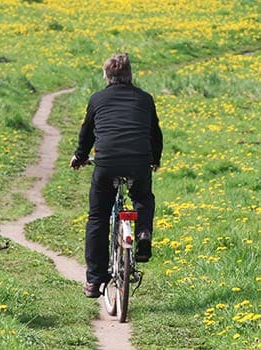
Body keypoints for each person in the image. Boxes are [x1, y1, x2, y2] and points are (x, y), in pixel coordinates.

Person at [70, 53, 163, 298]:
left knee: (98, 217)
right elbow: (155, 134)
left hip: (107, 163)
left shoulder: (97, 98)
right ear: (130, 75)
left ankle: (93, 280)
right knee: (142, 198)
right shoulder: (145, 99)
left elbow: (87, 134)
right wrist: (155, 160)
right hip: (139, 162)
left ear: (107, 76)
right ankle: (143, 232)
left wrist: (80, 157)